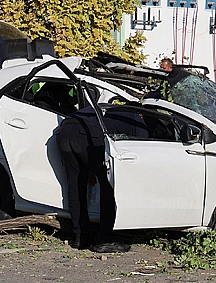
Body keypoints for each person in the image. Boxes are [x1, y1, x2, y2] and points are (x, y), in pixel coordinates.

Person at [56, 105, 148, 253]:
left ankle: (81, 237)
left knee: (75, 185)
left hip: (64, 132)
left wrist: (90, 167)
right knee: (109, 185)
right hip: (87, 134)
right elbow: (142, 149)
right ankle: (105, 240)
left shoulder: (109, 109)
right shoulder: (136, 118)